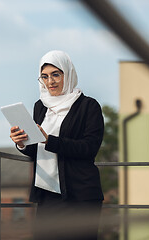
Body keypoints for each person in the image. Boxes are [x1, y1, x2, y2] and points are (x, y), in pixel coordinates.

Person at [10, 50, 104, 240]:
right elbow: (37, 150)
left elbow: (89, 148)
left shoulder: (88, 106)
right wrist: (21, 143)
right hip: (47, 194)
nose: (50, 81)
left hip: (80, 195)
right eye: (44, 76)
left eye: (55, 75)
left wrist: (49, 140)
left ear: (67, 74)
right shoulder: (40, 106)